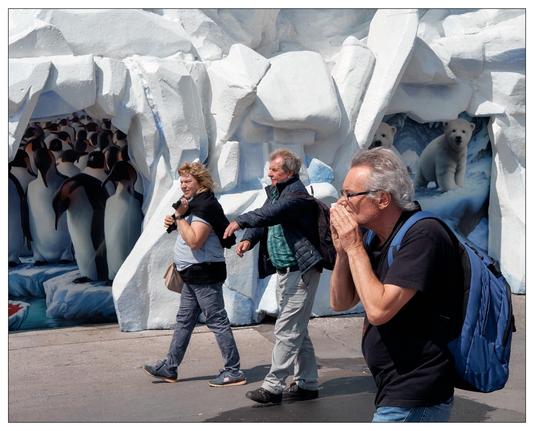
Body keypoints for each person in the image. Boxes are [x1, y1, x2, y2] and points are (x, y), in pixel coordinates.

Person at [329, 148, 463, 422]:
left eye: (350, 195)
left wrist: (353, 245)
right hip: (393, 387)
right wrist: (343, 251)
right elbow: (341, 302)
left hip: (417, 390)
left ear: (382, 200)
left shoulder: (424, 234)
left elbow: (378, 310)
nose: (342, 204)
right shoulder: (373, 237)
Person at [223, 149, 323, 404]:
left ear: (288, 172)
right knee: (296, 329)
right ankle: (308, 383)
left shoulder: (297, 195)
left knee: (287, 329)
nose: (269, 174)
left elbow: (270, 214)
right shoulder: (278, 194)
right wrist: (248, 239)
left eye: (274, 170)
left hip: (300, 272)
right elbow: (264, 219)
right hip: (284, 272)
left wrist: (239, 222)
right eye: (270, 169)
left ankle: (273, 386)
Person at [144, 162, 246, 387]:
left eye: (188, 181)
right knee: (184, 320)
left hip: (204, 274)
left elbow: (195, 241)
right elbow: (187, 230)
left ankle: (233, 370)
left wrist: (179, 218)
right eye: (181, 181)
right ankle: (170, 367)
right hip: (193, 274)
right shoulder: (194, 204)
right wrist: (176, 221)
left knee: (217, 320)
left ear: (201, 182)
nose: (183, 185)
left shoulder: (205, 206)